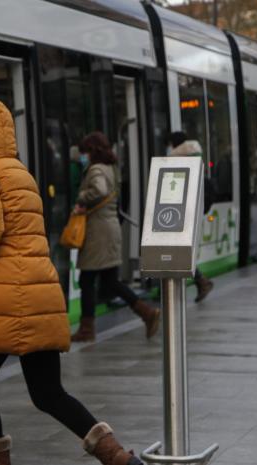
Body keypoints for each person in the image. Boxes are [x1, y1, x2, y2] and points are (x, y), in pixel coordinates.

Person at [0, 99, 143, 465]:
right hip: (37, 292)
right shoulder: (16, 169)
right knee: (48, 392)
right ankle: (118, 458)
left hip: (3, 300)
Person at [71, 131, 159, 343]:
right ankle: (146, 313)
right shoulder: (111, 168)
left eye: (85, 152)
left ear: (92, 151)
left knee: (87, 279)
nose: (83, 156)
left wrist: (82, 198)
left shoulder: (96, 170)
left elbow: (99, 190)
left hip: (98, 233)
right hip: (110, 229)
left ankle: (86, 329)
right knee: (110, 281)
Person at [166, 131, 214, 302]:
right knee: (179, 250)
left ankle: (201, 281)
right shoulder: (194, 158)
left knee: (176, 250)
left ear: (174, 145)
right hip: (191, 212)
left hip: (181, 213)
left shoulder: (178, 160)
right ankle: (201, 281)